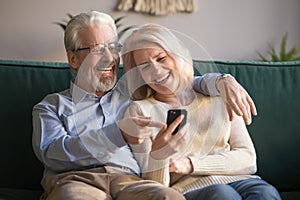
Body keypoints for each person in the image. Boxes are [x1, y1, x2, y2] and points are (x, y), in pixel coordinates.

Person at [32, 11, 257, 199]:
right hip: (77, 181)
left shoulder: (133, 93)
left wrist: (222, 80)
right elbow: (52, 153)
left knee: (170, 197)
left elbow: (177, 81)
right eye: (98, 49)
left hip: (131, 182)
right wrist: (117, 134)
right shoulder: (51, 107)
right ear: (73, 59)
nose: (109, 58)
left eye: (113, 47)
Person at [118, 23, 281, 200]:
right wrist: (159, 156)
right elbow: (154, 187)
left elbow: (248, 159)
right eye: (145, 66)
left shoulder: (219, 94)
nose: (156, 71)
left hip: (242, 180)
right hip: (190, 190)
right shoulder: (140, 111)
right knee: (222, 194)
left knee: (266, 192)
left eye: (161, 58)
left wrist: (189, 165)